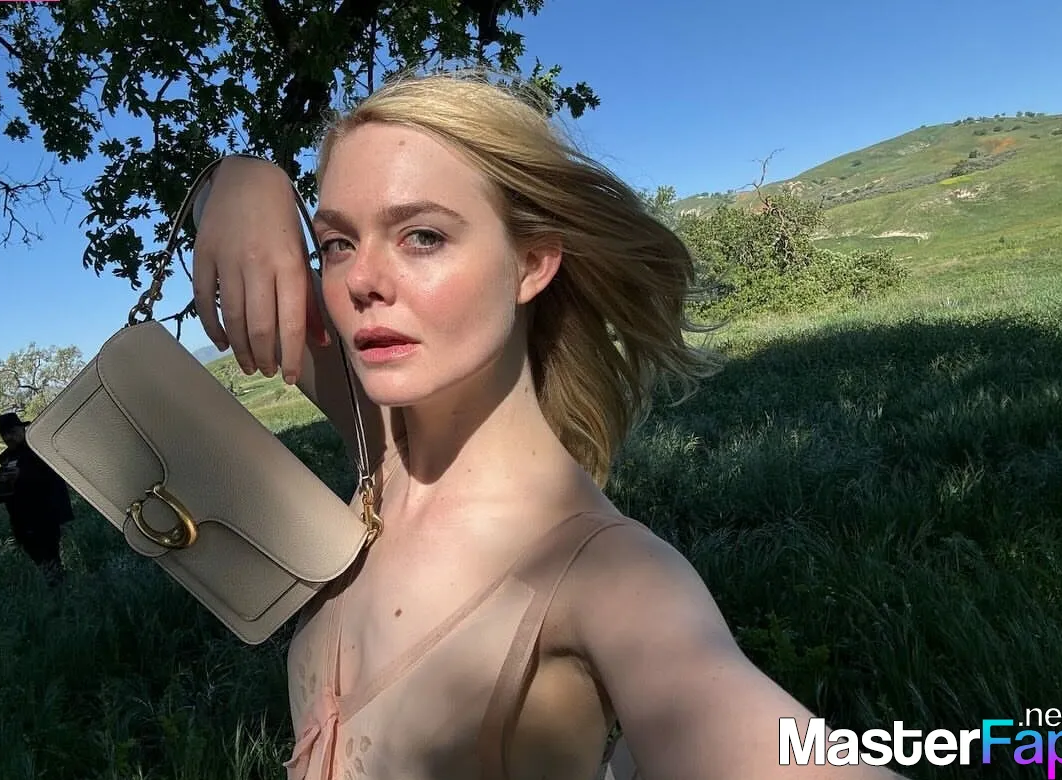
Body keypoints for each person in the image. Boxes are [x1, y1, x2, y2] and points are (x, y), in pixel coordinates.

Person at [189, 70, 902, 779]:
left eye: (423, 236)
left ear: (532, 263)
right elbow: (215, 220)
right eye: (337, 243)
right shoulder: (383, 444)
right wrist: (245, 179)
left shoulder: (609, 576)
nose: (360, 280)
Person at [0, 411, 73, 586]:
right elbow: (8, 493)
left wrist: (22, 475)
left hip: (45, 515)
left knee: (50, 557)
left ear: (22, 429)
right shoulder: (7, 458)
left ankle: (60, 588)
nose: (8, 437)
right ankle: (55, 586)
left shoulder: (39, 450)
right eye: (4, 434)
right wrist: (0, 489)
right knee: (38, 559)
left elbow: (53, 478)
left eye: (12, 432)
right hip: (22, 519)